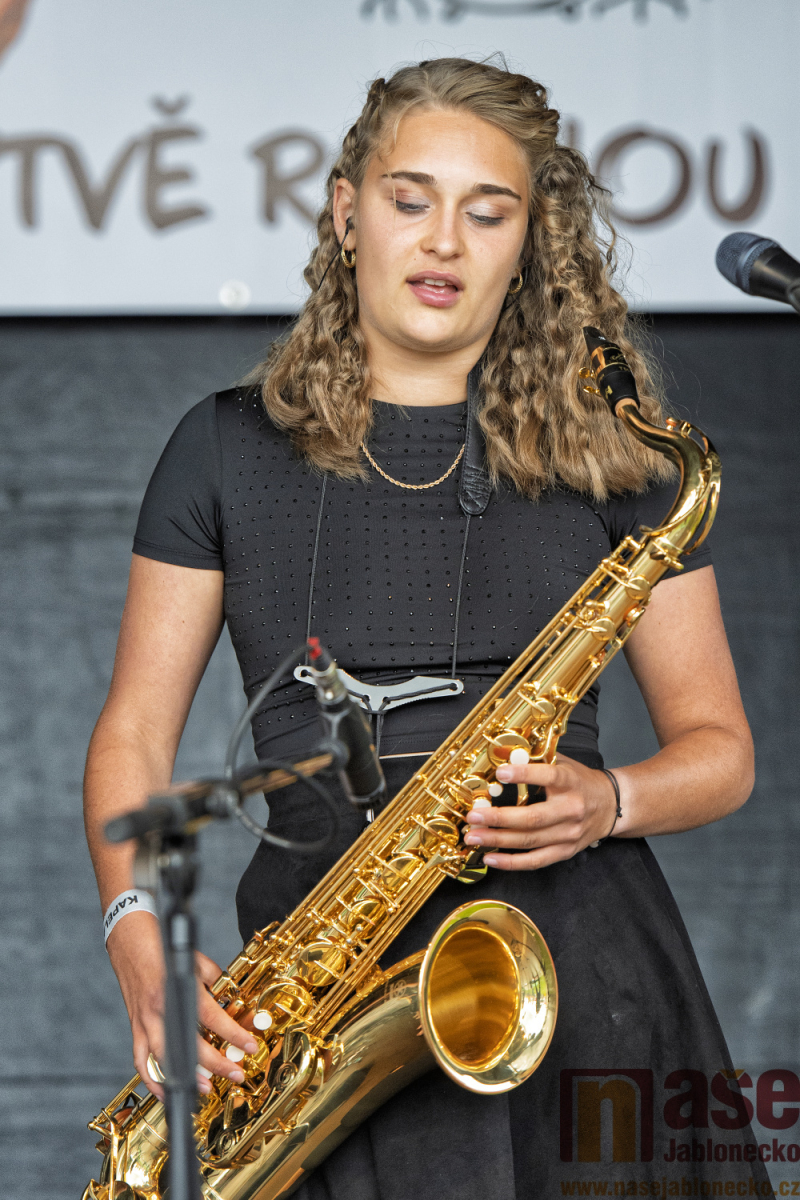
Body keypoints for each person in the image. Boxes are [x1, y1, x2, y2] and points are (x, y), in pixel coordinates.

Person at [84, 57, 768, 1197]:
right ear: (346, 213)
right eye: (411, 200)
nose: (444, 240)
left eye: (487, 212)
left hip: (580, 984)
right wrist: (132, 930)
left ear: (530, 242)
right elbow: (131, 738)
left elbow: (722, 749)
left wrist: (609, 801)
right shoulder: (221, 448)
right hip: (320, 1007)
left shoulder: (621, 457)